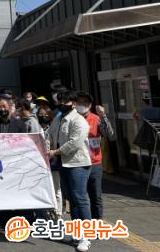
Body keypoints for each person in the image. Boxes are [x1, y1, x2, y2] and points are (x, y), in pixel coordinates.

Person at [48, 91, 92, 252]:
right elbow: (49, 134)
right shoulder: (58, 118)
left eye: (65, 101)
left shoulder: (79, 120)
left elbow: (75, 143)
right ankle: (77, 233)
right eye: (60, 101)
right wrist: (46, 142)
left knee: (80, 199)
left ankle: (86, 236)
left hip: (78, 164)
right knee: (71, 200)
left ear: (73, 104)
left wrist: (55, 152)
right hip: (63, 164)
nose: (61, 104)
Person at [75, 92, 115, 221]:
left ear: (90, 105)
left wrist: (103, 116)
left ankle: (97, 223)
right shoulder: (71, 119)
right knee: (79, 197)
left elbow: (109, 134)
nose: (82, 105)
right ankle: (82, 224)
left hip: (94, 163)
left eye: (85, 103)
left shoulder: (96, 119)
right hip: (77, 163)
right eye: (79, 102)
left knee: (96, 196)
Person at [37, 105, 62, 220]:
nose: (43, 116)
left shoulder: (54, 128)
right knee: (42, 189)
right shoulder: (36, 129)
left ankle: (58, 213)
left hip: (53, 163)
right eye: (40, 114)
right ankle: (45, 214)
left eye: (45, 114)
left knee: (56, 189)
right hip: (39, 164)